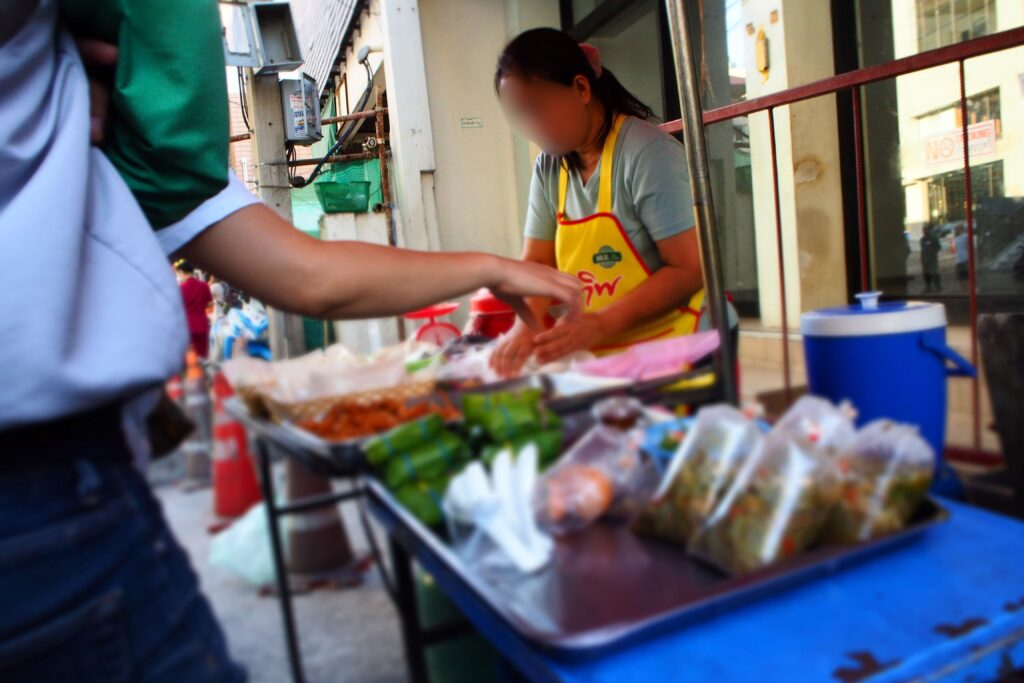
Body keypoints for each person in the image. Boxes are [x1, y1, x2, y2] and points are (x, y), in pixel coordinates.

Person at [0, 2, 580, 681]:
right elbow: (299, 268)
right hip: (45, 497)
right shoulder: (123, 114)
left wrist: (487, 267)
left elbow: (311, 276)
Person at [489, 29, 736, 377]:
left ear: (581, 89)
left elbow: (690, 269)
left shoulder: (647, 154)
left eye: (540, 108)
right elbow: (537, 262)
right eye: (521, 114)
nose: (534, 126)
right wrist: (524, 325)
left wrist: (600, 324)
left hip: (684, 342)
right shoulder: (549, 167)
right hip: (615, 350)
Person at [176, 260, 213, 357]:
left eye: (178, 274)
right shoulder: (204, 286)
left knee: (189, 358)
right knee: (202, 356)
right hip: (202, 325)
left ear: (181, 272)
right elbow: (210, 304)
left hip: (187, 326)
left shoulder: (180, 288)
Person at [920, 223, 941, 293]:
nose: (925, 231)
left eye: (926, 229)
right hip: (925, 259)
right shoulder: (922, 239)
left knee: (934, 272)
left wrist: (932, 253)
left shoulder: (933, 238)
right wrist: (922, 258)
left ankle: (937, 286)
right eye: (924, 230)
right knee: (926, 273)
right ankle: (928, 287)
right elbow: (922, 249)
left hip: (932, 258)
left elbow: (938, 247)